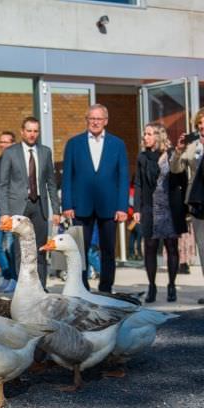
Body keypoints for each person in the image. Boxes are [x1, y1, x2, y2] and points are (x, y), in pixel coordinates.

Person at [62, 104, 129, 293]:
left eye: (99, 119)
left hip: (109, 206)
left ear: (106, 121)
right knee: (79, 251)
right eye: (92, 118)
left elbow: (123, 177)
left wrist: (122, 207)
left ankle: (106, 288)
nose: (95, 122)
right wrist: (67, 204)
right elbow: (67, 176)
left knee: (108, 250)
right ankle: (82, 288)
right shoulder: (74, 143)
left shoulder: (117, 144)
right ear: (87, 120)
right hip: (80, 206)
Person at [0, 116, 60, 289]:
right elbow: (3, 185)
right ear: (22, 131)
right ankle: (24, 288)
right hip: (18, 207)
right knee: (20, 250)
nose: (32, 134)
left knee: (40, 249)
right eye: (29, 131)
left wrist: (56, 210)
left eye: (35, 131)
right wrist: (5, 212)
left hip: (39, 206)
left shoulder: (45, 152)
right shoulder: (10, 153)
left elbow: (51, 182)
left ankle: (41, 287)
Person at [133, 123, 187, 303]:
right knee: (149, 247)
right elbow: (139, 184)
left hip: (170, 208)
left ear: (158, 136)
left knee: (171, 246)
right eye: (144, 134)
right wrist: (137, 209)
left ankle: (171, 285)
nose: (145, 137)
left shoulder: (172, 154)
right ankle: (152, 286)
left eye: (149, 134)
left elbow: (181, 178)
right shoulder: (142, 157)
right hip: (150, 207)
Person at [171, 108, 204, 304]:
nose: (202, 126)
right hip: (199, 202)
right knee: (203, 247)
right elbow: (176, 169)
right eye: (200, 123)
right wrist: (178, 151)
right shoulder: (192, 147)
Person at [0, 131, 18, 294]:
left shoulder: (14, 161)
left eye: (6, 142)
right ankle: (7, 276)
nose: (3, 145)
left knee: (9, 247)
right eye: (1, 142)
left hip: (8, 210)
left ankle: (14, 278)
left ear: (13, 143)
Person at [127, 177, 142, 260]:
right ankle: (137, 253)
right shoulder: (132, 189)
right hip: (134, 216)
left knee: (133, 236)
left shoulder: (131, 188)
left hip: (131, 215)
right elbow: (132, 202)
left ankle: (132, 253)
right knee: (138, 235)